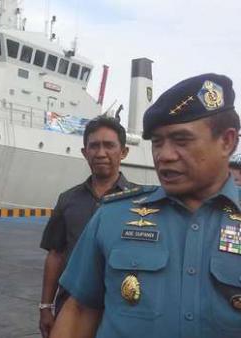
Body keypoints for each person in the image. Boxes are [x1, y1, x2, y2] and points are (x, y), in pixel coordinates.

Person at [51, 73, 241, 338]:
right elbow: (80, 310)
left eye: (181, 141)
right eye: (157, 142)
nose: (164, 155)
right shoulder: (112, 217)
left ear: (227, 141)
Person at [38, 116, 138, 338]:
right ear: (85, 153)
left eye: (109, 145)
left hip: (121, 310)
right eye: (94, 146)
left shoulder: (139, 204)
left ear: (124, 152)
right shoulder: (68, 200)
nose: (101, 153)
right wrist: (46, 306)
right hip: (72, 308)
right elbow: (55, 254)